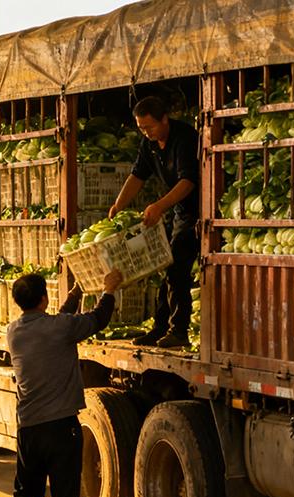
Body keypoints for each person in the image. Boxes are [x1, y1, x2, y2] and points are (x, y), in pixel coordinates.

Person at [3, 270, 122, 497]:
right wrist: (109, 289)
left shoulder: (14, 330)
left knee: (25, 495)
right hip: (60, 427)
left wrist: (75, 294)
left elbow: (56, 323)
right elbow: (98, 319)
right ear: (44, 298)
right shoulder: (60, 328)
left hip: (28, 428)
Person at [109, 96, 200, 348]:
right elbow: (137, 175)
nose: (146, 132)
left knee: (177, 267)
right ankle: (160, 328)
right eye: (141, 128)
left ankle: (178, 331)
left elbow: (188, 181)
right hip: (179, 210)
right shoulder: (148, 144)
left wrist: (159, 206)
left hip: (197, 210)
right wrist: (118, 205)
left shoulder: (184, 138)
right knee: (165, 264)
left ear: (164, 119)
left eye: (149, 127)